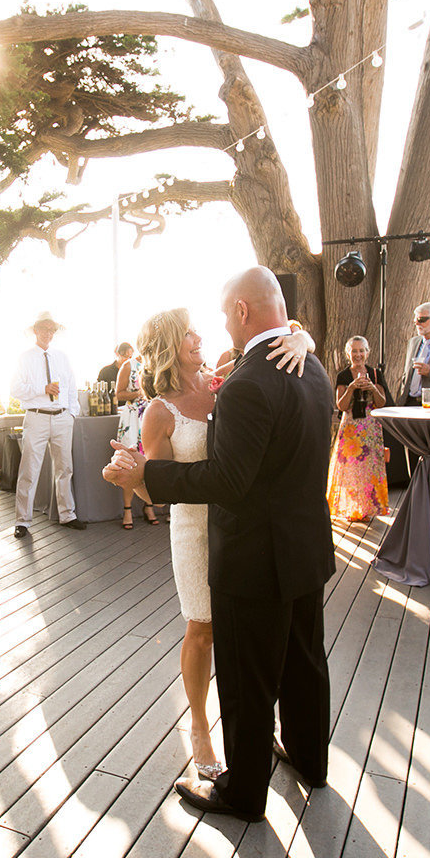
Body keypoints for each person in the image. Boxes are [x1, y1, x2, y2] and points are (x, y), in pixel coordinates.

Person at [105, 268, 334, 823]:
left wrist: (149, 480)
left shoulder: (249, 381)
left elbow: (230, 480)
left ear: (241, 312)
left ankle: (244, 792)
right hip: (303, 544)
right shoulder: (312, 366)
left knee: (247, 680)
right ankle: (310, 759)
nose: (208, 332)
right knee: (305, 663)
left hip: (253, 553)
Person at [10, 312, 87, 537]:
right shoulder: (24, 358)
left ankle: (67, 515)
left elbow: (72, 388)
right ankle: (22, 521)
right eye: (44, 329)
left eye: (51, 329)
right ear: (35, 330)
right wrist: (42, 389)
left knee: (65, 467)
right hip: (36, 417)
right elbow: (14, 389)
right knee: (29, 468)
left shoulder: (62, 357)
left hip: (62, 417)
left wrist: (72, 414)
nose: (48, 333)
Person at [328, 335, 389, 522]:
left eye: (361, 350)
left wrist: (372, 388)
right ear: (348, 353)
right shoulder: (344, 376)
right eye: (354, 351)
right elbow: (342, 405)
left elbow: (382, 403)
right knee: (351, 469)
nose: (358, 354)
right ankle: (351, 508)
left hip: (371, 427)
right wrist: (352, 387)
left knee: (370, 467)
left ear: (367, 352)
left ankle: (369, 507)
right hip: (351, 428)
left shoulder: (375, 373)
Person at [113, 345, 158, 529]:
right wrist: (139, 393)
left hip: (151, 416)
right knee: (129, 461)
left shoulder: (156, 365)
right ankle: (127, 510)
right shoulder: (128, 366)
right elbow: (119, 393)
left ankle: (149, 506)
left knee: (150, 460)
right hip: (133, 418)